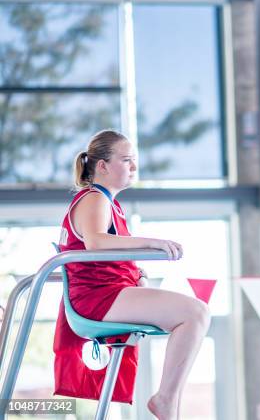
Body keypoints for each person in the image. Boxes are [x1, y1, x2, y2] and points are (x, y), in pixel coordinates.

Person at [54, 129, 210, 420]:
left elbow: (105, 251)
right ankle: (166, 400)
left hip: (107, 292)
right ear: (103, 166)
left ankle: (168, 399)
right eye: (126, 160)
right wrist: (151, 242)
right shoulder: (94, 199)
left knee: (196, 314)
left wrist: (136, 269)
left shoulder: (109, 203)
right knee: (196, 314)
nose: (134, 168)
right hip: (97, 298)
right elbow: (96, 242)